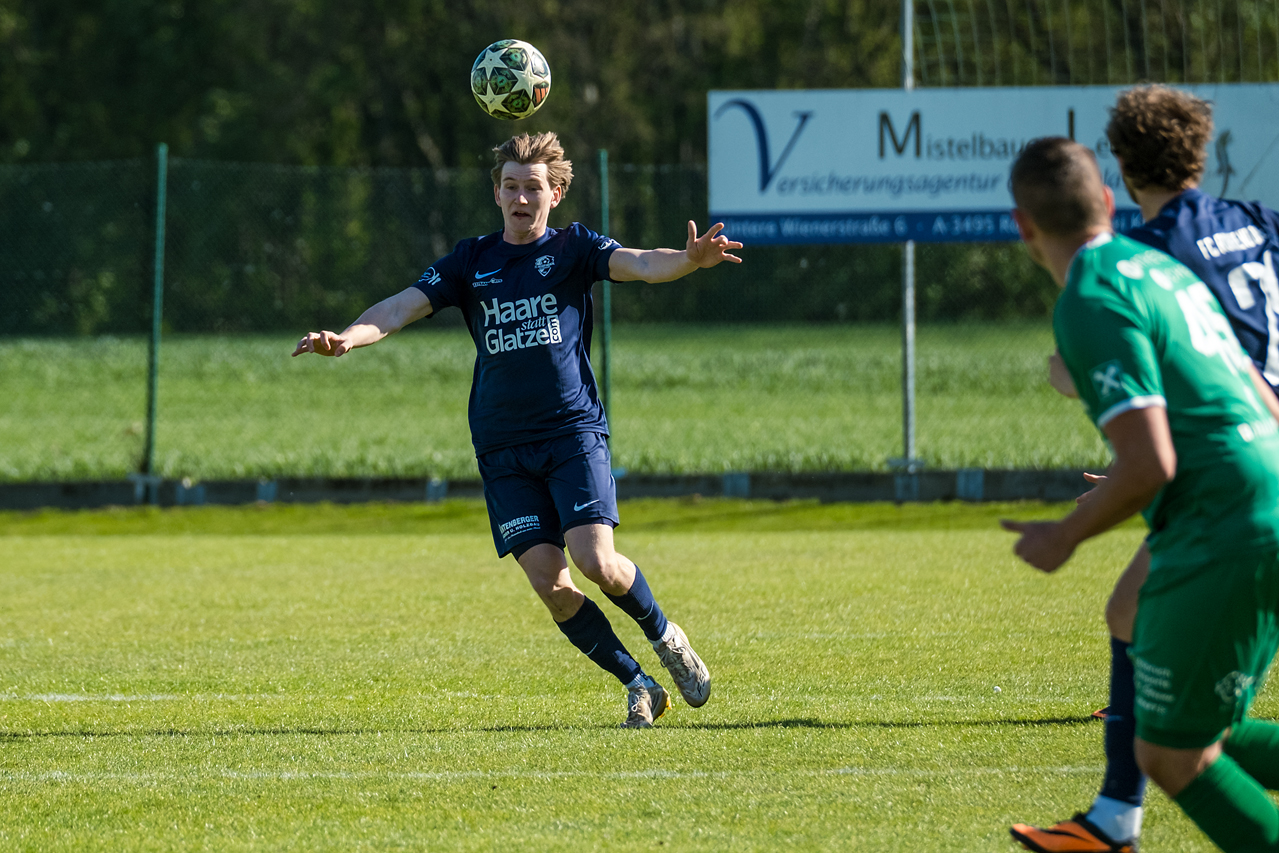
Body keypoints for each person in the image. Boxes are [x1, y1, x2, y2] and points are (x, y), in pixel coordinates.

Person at [292, 131, 742, 728]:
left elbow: (637, 263)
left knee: (597, 563)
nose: (521, 198)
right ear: (497, 194)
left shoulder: (575, 248)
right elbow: (400, 306)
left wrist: (687, 260)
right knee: (552, 587)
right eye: (510, 186)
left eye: (533, 187)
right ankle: (639, 684)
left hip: (571, 433)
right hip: (502, 447)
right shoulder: (471, 261)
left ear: (555, 194)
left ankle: (665, 637)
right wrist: (348, 338)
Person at [1012, 85, 1279, 853]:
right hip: (1250, 471)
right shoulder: (1224, 237)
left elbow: (1149, 450)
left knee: (1172, 747)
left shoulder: (1118, 277)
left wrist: (1065, 532)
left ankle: (1112, 822)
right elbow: (1245, 385)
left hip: (1228, 505)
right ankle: (1111, 821)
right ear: (1103, 198)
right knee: (1181, 721)